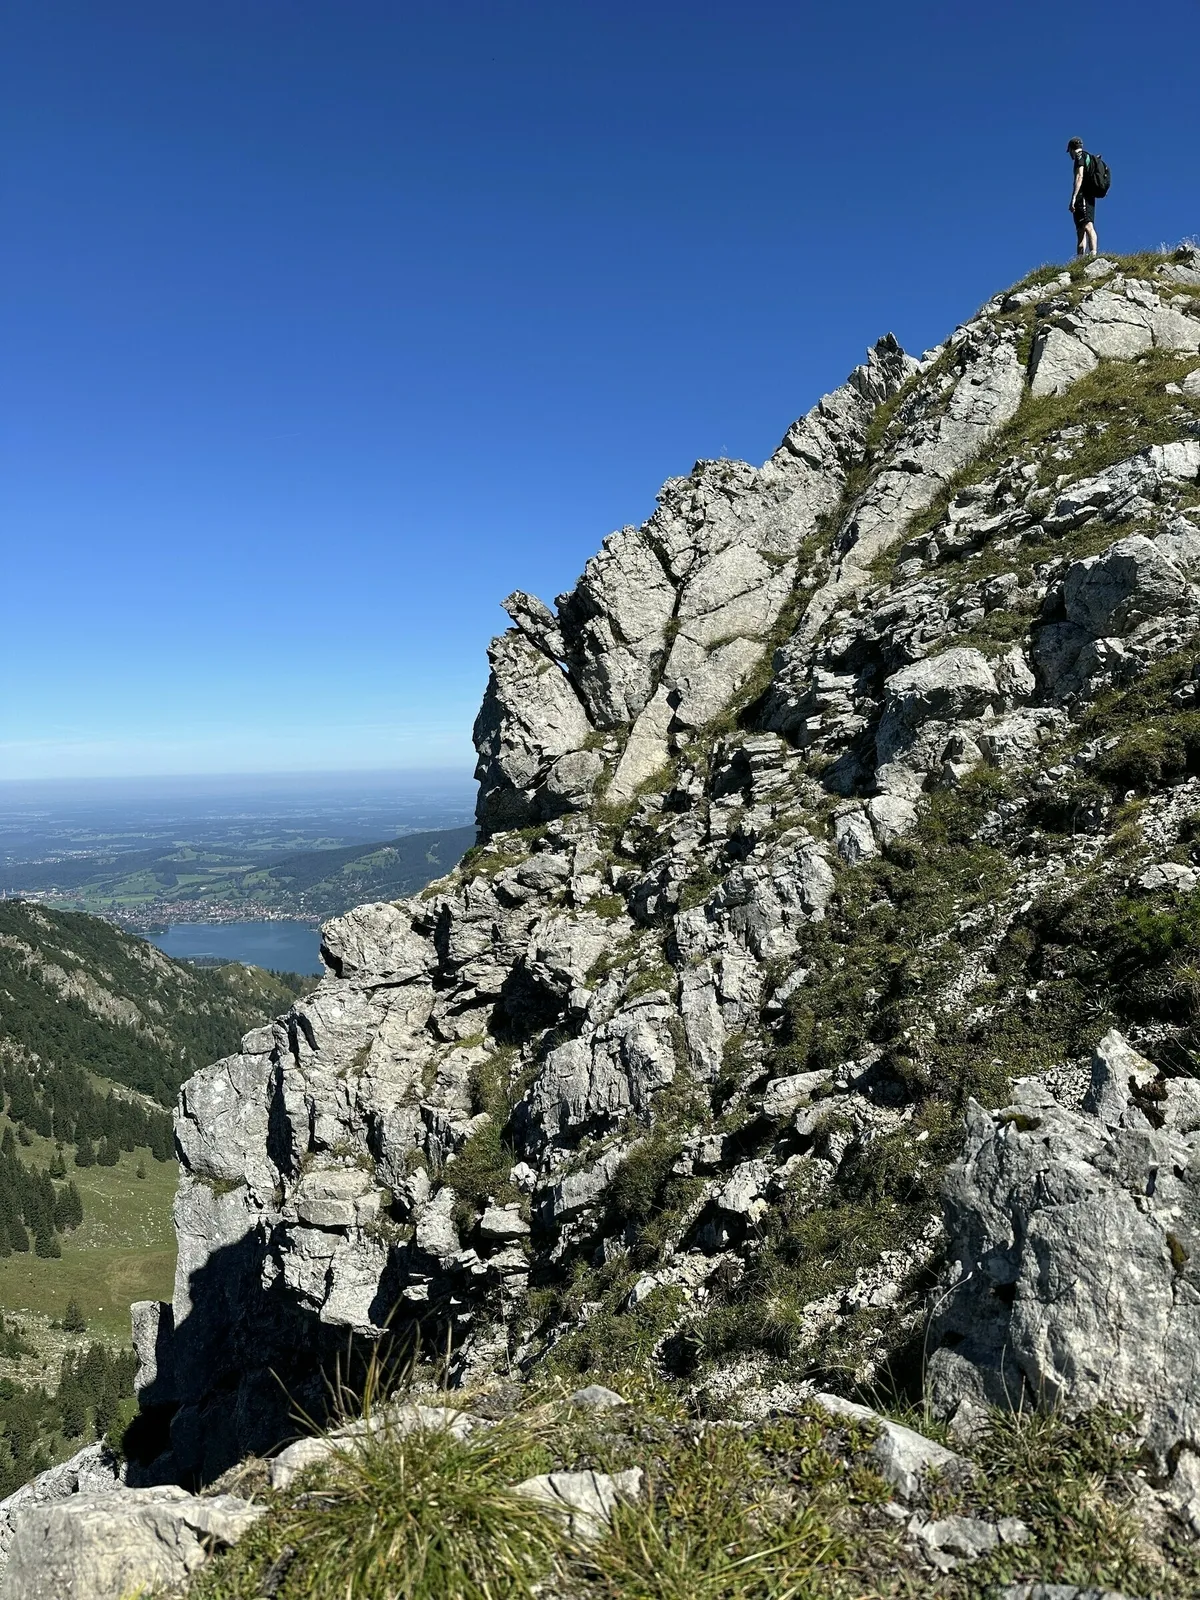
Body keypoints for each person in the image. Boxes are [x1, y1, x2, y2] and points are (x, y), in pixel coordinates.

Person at [1067, 137, 1099, 256]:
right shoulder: (1089, 157)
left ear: (1071, 148)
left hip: (1083, 195)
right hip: (1088, 195)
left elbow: (1079, 177)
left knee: (1087, 225)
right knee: (1080, 229)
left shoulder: (1080, 157)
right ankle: (1080, 261)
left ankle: (1093, 254)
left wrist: (1074, 197)